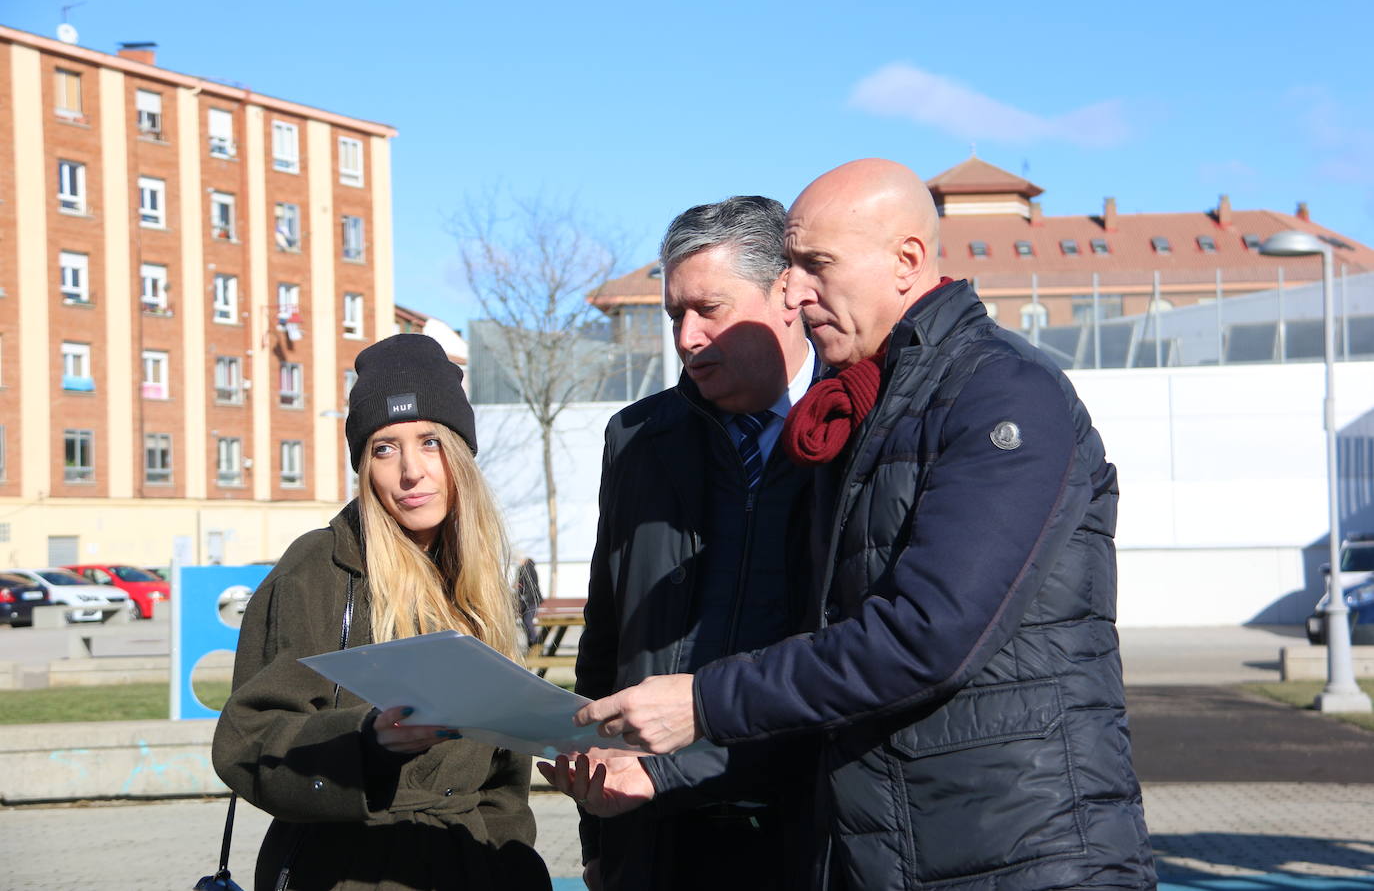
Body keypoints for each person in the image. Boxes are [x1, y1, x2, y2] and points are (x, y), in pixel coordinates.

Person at [575, 160, 1157, 889]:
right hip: (883, 843)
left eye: (815, 265)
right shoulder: (864, 407)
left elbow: (924, 634)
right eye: (790, 268)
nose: (797, 290)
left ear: (907, 260)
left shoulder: (1000, 395)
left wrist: (701, 702)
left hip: (1012, 849)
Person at [542, 196, 821, 891]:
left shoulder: (858, 428)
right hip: (651, 836)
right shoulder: (638, 440)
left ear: (786, 294)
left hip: (806, 836)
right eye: (674, 314)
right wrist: (599, 839)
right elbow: (605, 644)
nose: (689, 337)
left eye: (710, 309)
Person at [212, 334, 550, 891]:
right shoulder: (317, 567)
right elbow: (248, 740)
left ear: (461, 455)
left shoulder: (484, 581)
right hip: (348, 871)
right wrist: (366, 744)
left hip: (469, 868)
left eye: (430, 442)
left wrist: (513, 867)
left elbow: (502, 785)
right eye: (385, 448)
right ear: (364, 467)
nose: (410, 471)